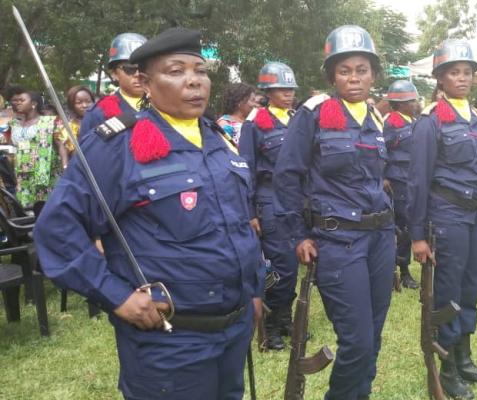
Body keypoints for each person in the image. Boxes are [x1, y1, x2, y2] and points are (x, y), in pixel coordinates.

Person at [34, 28, 264, 399]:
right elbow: (57, 228)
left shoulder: (218, 138)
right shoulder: (118, 144)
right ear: (144, 81)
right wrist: (117, 296)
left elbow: (237, 225)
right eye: (175, 71)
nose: (193, 82)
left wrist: (252, 290)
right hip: (171, 342)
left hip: (232, 329)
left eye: (200, 70)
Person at [273, 25, 395, 400]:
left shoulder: (375, 116)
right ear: (332, 76)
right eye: (345, 70)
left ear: (373, 74)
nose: (354, 78)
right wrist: (298, 235)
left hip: (380, 238)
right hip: (338, 240)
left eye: (362, 69)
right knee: (356, 339)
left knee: (372, 335)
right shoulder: (313, 114)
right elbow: (286, 176)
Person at [408, 39, 477, 399]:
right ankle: (446, 367)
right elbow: (417, 180)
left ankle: (464, 357)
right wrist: (417, 235)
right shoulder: (431, 121)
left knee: (471, 287)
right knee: (448, 293)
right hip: (447, 215)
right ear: (440, 79)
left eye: (467, 73)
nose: (462, 78)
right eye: (454, 73)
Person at [238, 61, 299, 351]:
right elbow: (246, 169)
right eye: (281, 89)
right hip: (269, 200)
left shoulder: (297, 119)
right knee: (280, 264)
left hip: (298, 201)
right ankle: (271, 326)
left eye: (291, 89)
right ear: (268, 91)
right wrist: (250, 212)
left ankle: (286, 319)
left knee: (295, 262)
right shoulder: (255, 124)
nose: (288, 94)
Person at [383, 79, 421, 290]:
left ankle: (402, 267)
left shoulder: (414, 121)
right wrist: (383, 176)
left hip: (412, 180)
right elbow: (381, 151)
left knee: (408, 225)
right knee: (398, 227)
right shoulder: (391, 123)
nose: (414, 103)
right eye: (410, 100)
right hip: (397, 182)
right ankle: (399, 269)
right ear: (400, 104)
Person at [80, 33, 147, 138]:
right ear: (114, 74)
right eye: (130, 69)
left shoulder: (167, 106)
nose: (138, 74)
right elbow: (88, 152)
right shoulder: (98, 114)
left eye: (144, 68)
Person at [8, 88, 62, 208]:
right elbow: (13, 146)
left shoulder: (49, 121)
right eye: (16, 100)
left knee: (47, 207)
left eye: (22, 100)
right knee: (35, 208)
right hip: (24, 174)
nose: (17, 103)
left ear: (33, 104)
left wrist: (65, 166)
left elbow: (60, 144)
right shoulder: (14, 124)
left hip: (46, 174)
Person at [56, 86, 95, 165]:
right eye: (79, 102)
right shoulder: (68, 127)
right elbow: (64, 153)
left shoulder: (102, 123)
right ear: (72, 105)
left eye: (88, 101)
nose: (84, 105)